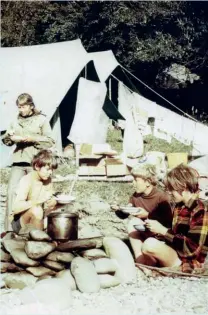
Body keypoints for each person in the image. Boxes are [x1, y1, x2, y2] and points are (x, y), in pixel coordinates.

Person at [140, 164, 208, 274]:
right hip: (177, 254)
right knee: (141, 236)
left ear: (183, 186)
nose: (170, 193)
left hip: (189, 262)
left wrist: (163, 231)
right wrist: (158, 232)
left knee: (149, 245)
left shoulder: (201, 210)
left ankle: (154, 268)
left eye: (172, 189)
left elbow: (192, 251)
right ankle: (148, 266)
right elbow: (177, 237)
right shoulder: (179, 207)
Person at [2, 93, 55, 231]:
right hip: (19, 161)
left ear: (31, 106)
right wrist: (9, 137)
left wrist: (31, 138)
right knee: (12, 192)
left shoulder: (41, 120)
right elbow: (7, 141)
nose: (21, 110)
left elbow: (50, 141)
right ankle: (9, 230)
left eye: (23, 107)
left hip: (35, 163)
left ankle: (37, 229)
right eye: (19, 107)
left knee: (36, 193)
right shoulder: (15, 121)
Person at [111, 164, 173, 264]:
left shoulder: (162, 198)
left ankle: (152, 260)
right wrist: (118, 209)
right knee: (133, 221)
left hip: (161, 237)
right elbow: (125, 214)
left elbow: (169, 222)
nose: (133, 183)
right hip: (145, 233)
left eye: (136, 180)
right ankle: (140, 259)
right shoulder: (136, 196)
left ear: (148, 182)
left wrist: (147, 215)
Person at [10, 150, 58, 234]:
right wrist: (37, 201)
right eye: (47, 169)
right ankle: (39, 241)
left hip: (38, 218)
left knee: (58, 211)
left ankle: (43, 235)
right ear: (37, 166)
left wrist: (53, 202)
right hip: (20, 222)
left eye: (52, 170)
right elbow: (16, 208)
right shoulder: (27, 180)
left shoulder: (48, 179)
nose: (50, 172)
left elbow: (49, 202)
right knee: (36, 210)